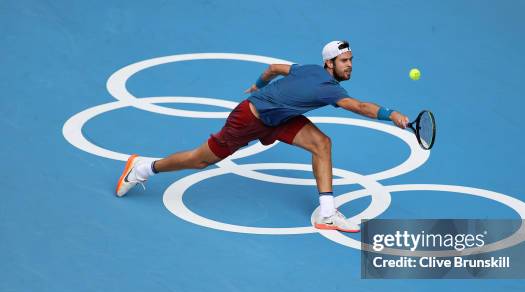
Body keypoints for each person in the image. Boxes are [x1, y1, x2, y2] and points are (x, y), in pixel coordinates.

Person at [116, 40, 410, 233]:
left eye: (351, 60)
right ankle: (143, 167)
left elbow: (273, 69)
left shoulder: (307, 69)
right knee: (200, 160)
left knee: (321, 143)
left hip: (279, 119)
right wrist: (391, 113)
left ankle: (327, 213)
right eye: (343, 61)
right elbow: (358, 106)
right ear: (329, 64)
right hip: (249, 120)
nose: (349, 65)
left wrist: (258, 85)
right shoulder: (327, 88)